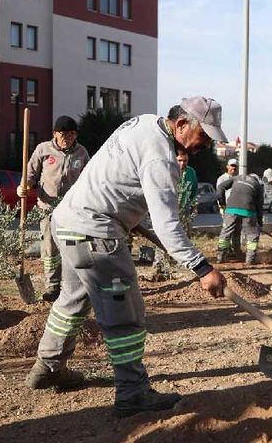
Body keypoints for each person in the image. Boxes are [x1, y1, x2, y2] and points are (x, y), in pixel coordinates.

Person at [24, 96, 229, 418]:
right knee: (126, 315)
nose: (204, 145)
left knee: (71, 302)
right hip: (96, 233)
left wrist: (130, 220)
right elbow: (168, 225)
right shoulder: (161, 159)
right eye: (203, 136)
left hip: (68, 221)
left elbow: (118, 183)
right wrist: (203, 268)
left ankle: (47, 368)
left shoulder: (144, 122)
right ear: (181, 125)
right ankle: (133, 392)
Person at [18, 116, 90, 302]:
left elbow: (88, 180)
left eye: (72, 134)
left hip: (71, 210)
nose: (68, 137)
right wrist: (24, 186)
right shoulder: (43, 149)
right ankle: (52, 287)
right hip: (47, 208)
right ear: (55, 134)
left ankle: (72, 286)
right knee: (50, 249)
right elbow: (31, 173)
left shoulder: (81, 153)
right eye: (64, 133)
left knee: (71, 249)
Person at [216, 168, 264, 265]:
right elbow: (259, 206)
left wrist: (222, 203)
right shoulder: (258, 185)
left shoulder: (237, 178)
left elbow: (220, 187)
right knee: (252, 235)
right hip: (248, 211)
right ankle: (250, 259)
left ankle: (221, 257)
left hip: (231, 210)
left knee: (226, 233)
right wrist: (259, 222)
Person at [175, 147, 198, 217]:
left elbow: (194, 190)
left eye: (185, 161)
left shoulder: (191, 172)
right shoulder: (170, 170)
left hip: (185, 208)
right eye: (179, 160)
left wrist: (194, 206)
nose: (182, 163)